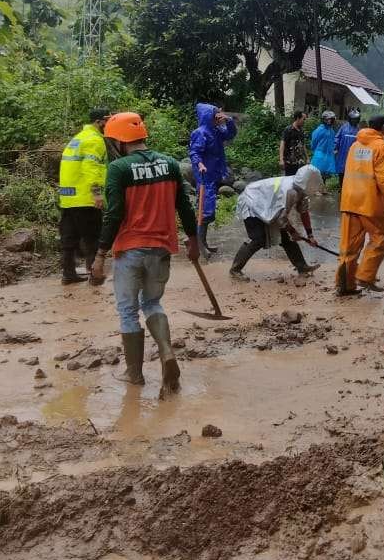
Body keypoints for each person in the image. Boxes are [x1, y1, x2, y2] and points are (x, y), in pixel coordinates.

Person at [91, 113, 199, 399]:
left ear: (116, 140)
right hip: (162, 248)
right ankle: (166, 351)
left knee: (128, 310)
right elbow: (185, 207)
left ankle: (135, 374)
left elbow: (114, 215)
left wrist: (100, 254)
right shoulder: (170, 164)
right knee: (152, 302)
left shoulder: (119, 169)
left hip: (130, 248)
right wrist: (194, 239)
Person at [337, 115, 384, 295]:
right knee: (381, 237)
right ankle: (365, 276)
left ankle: (344, 285)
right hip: (370, 202)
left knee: (349, 247)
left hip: (349, 201)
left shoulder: (355, 145)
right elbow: (383, 180)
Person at [230, 164, 324, 279]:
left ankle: (302, 267)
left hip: (268, 205)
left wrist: (310, 235)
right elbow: (281, 219)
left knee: (286, 239)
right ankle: (235, 270)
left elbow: (304, 212)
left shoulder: (302, 191)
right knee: (258, 238)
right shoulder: (289, 190)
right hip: (252, 201)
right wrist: (293, 232)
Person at [57, 107, 111, 284]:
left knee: (69, 239)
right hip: (84, 198)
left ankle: (68, 275)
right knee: (92, 238)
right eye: (107, 121)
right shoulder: (94, 140)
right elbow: (91, 169)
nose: (109, 124)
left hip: (68, 198)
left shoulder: (78, 138)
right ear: (98, 122)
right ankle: (94, 274)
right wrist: (97, 194)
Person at [188, 102, 237, 257]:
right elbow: (194, 152)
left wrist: (228, 120)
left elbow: (231, 134)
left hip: (213, 173)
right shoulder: (200, 132)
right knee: (205, 210)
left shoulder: (216, 131)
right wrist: (200, 164)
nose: (218, 118)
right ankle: (198, 245)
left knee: (208, 210)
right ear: (209, 116)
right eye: (215, 115)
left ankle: (203, 242)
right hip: (204, 175)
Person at [334, 109, 361, 185]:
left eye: (356, 119)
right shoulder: (344, 127)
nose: (354, 121)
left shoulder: (359, 130)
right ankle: (341, 186)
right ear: (350, 119)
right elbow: (337, 137)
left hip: (354, 154)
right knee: (342, 170)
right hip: (343, 152)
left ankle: (349, 186)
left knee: (351, 170)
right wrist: (335, 147)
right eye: (353, 119)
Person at [310, 111, 337, 183]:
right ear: (324, 120)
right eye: (328, 119)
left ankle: (322, 187)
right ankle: (317, 189)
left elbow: (333, 142)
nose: (330, 121)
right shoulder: (319, 130)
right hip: (320, 153)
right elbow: (314, 141)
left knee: (325, 173)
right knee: (318, 172)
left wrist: (333, 150)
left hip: (328, 154)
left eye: (331, 119)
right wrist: (314, 149)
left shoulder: (332, 131)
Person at [279, 110, 308, 175]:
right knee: (289, 181)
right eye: (303, 119)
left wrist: (307, 158)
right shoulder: (288, 130)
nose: (304, 121)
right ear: (298, 118)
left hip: (300, 162)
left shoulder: (301, 131)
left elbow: (303, 145)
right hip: (289, 162)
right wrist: (281, 159)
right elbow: (282, 144)